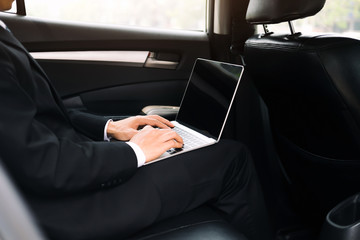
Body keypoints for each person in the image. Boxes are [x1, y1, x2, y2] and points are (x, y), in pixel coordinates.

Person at [0, 1, 272, 240]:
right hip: (66, 211)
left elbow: (42, 117)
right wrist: (135, 152)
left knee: (204, 150)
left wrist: (109, 128)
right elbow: (43, 164)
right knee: (230, 158)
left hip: (62, 188)